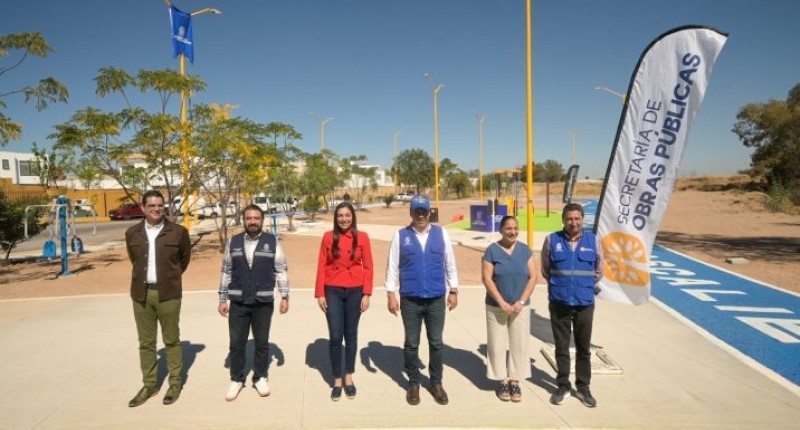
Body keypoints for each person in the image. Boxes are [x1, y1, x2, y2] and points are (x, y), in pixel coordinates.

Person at [385, 195, 459, 406]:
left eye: (424, 211)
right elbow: (392, 267)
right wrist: (391, 294)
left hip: (436, 298)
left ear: (429, 213)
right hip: (410, 299)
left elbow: (450, 263)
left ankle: (436, 383)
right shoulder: (400, 236)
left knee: (436, 343)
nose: (420, 215)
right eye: (416, 211)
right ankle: (413, 383)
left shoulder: (441, 234)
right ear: (411, 213)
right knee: (411, 344)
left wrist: (453, 290)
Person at [125, 190, 191, 407]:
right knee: (146, 343)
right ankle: (150, 385)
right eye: (151, 205)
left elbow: (183, 260)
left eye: (160, 205)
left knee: (171, 340)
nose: (156, 209)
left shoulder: (178, 232)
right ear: (143, 208)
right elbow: (134, 260)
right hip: (141, 294)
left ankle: (175, 383)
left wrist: (170, 277)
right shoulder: (132, 233)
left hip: (168, 293)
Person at [218, 204, 290, 401]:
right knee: (236, 343)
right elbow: (226, 271)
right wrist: (222, 298)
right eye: (249, 218)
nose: (252, 222)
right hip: (238, 301)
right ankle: (237, 379)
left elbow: (281, 269)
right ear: (243, 220)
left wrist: (284, 296)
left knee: (262, 343)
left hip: (263, 301)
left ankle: (260, 377)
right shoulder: (232, 242)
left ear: (262, 220)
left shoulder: (272, 242)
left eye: (256, 218)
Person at [541, 203, 603, 408]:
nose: (573, 222)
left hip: (584, 303)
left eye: (577, 218)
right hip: (559, 301)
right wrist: (562, 286)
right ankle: (563, 386)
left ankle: (583, 387)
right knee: (561, 347)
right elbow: (546, 269)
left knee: (583, 348)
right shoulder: (552, 240)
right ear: (563, 220)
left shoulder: (594, 241)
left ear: (582, 219)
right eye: (569, 219)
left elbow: (599, 270)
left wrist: (582, 286)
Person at [314, 202, 374, 401]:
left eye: (347, 215)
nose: (344, 219)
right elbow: (321, 266)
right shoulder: (328, 237)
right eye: (340, 215)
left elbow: (368, 267)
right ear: (335, 218)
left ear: (352, 217)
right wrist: (320, 293)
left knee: (351, 335)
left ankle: (348, 376)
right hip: (332, 289)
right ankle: (337, 379)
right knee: (335, 335)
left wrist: (367, 294)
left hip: (355, 290)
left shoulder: (362, 237)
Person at [482, 215, 538, 402]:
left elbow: (533, 277)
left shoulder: (525, 250)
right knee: (497, 345)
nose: (512, 232)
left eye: (515, 228)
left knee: (519, 344)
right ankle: (502, 380)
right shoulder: (492, 251)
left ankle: (515, 380)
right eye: (508, 228)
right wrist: (501, 302)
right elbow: (487, 278)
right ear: (501, 230)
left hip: (520, 307)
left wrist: (521, 301)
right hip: (496, 306)